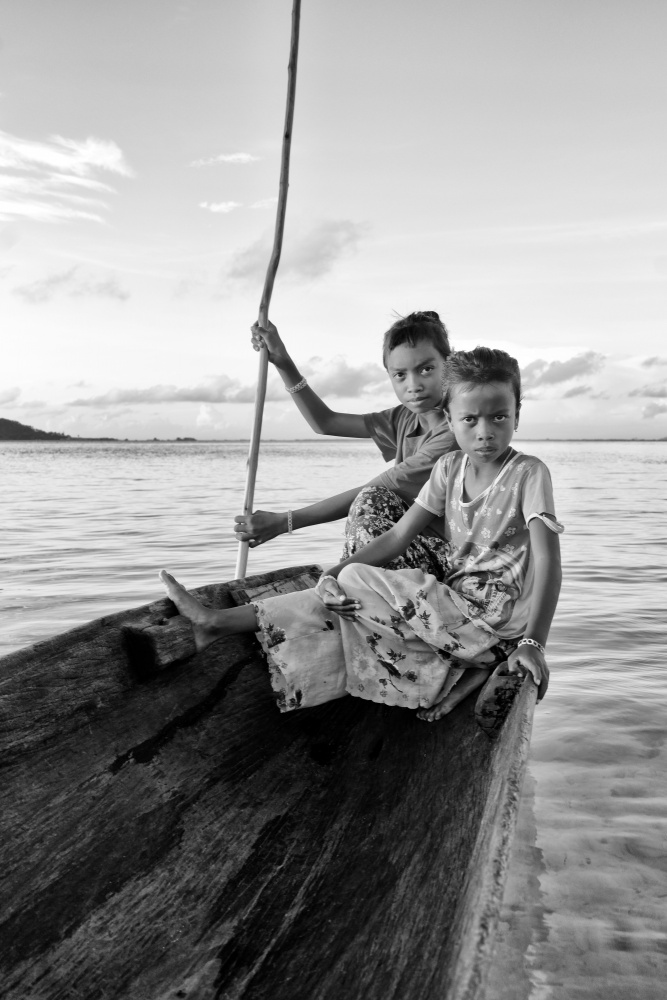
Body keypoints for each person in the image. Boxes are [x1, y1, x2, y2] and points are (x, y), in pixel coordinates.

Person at [160, 346, 562, 723]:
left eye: (499, 417)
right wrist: (329, 578)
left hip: (495, 622)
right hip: (453, 607)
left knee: (353, 578)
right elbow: (398, 537)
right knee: (342, 590)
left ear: (516, 416)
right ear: (451, 418)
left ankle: (479, 661)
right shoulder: (448, 468)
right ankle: (217, 623)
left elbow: (548, 561)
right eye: (470, 419)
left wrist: (533, 643)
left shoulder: (528, 473)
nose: (485, 432)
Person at [234, 311, 456, 577]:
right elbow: (326, 423)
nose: (414, 385)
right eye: (400, 375)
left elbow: (377, 489)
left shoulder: (455, 432)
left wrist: (286, 522)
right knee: (372, 506)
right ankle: (348, 583)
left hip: (448, 558)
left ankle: (345, 584)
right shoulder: (404, 417)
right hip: (408, 546)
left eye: (426, 369)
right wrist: (283, 362)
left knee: (372, 500)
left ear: (450, 365)